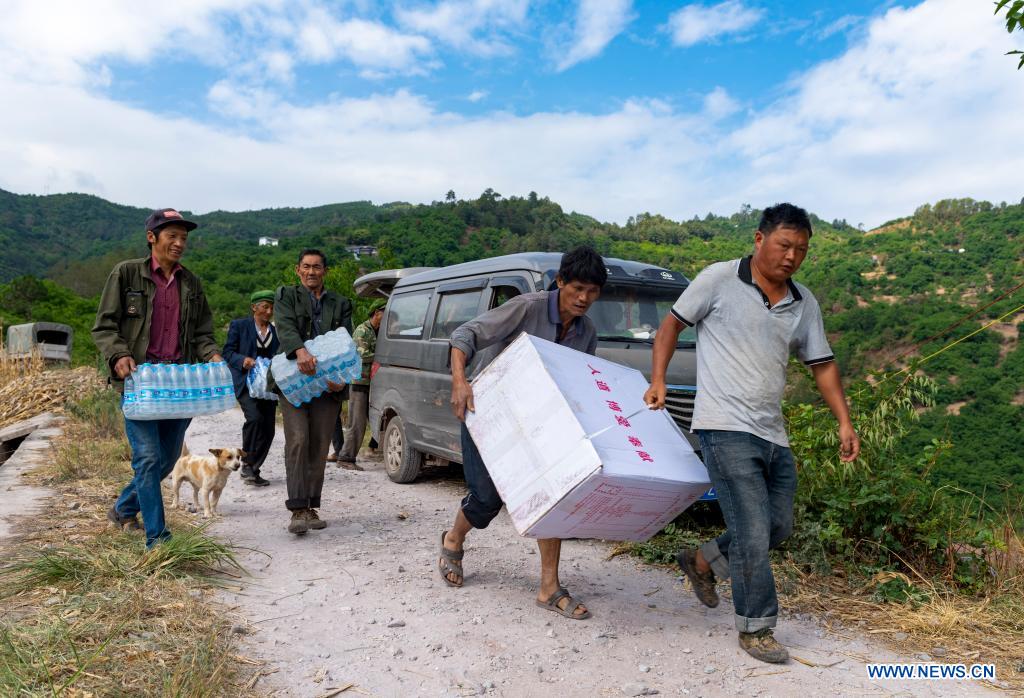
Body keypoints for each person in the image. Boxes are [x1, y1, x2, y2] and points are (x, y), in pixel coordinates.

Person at [643, 203, 860, 664]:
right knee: (754, 528)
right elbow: (671, 326)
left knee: (775, 526)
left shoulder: (803, 302)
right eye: (784, 245)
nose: (791, 257)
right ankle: (757, 627)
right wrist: (658, 378)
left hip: (772, 432)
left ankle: (701, 562)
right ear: (760, 239)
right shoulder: (718, 279)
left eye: (801, 250)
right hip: (723, 426)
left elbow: (821, 364)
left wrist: (844, 420)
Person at [438, 246, 607, 621]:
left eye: (592, 291)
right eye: (577, 288)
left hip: (538, 423)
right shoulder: (527, 307)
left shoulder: (587, 331)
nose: (584, 298)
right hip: (488, 414)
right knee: (485, 501)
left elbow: (577, 377)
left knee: (552, 495)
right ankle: (454, 539)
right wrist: (460, 383)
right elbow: (464, 335)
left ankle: (549, 587)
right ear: (560, 281)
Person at [92, 208, 222, 549]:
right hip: (141, 384)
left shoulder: (191, 283)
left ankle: (123, 508)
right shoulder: (126, 274)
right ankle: (157, 539)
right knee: (148, 458)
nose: (179, 244)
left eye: (184, 238)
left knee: (166, 460)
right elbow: (104, 326)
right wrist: (119, 353)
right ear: (152, 237)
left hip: (179, 386)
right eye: (172, 237)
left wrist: (212, 354)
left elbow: (202, 333)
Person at [272, 249, 353, 535]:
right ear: (298, 270)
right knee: (298, 439)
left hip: (327, 385)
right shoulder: (286, 295)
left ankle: (311, 505)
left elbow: (346, 341)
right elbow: (285, 326)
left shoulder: (341, 303)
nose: (311, 272)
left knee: (319, 444)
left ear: (325, 271)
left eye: (317, 267)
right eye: (306, 267)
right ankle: (297, 509)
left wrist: (341, 379)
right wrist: (300, 350)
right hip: (294, 380)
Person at [223, 290, 280, 486]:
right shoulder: (240, 326)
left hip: (267, 386)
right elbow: (228, 352)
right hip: (246, 382)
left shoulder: (275, 331)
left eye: (271, 307)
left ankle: (253, 469)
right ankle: (246, 463)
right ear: (254, 307)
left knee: (269, 429)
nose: (269, 311)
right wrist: (242, 360)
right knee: (254, 418)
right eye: (265, 306)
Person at [338, 299, 386, 467]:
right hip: (359, 381)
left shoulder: (378, 331)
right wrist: (382, 357)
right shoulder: (362, 331)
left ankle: (373, 450)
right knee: (356, 423)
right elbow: (361, 355)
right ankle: (345, 458)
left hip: (372, 383)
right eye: (384, 312)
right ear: (376, 313)